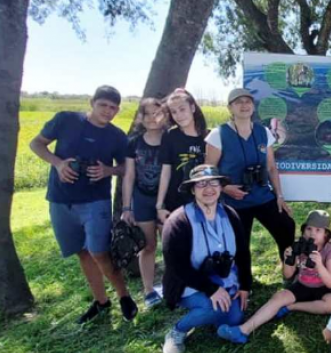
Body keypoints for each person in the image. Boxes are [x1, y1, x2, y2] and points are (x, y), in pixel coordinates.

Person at [29, 85, 139, 323]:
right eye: (103, 105)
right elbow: (36, 143)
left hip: (95, 200)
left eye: (113, 108)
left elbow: (125, 168)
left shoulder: (117, 136)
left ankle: (124, 296)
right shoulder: (66, 120)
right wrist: (58, 164)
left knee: (100, 251)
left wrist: (107, 170)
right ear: (92, 102)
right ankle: (101, 301)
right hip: (60, 199)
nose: (108, 112)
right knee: (82, 252)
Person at [160, 165, 252, 353]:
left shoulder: (231, 215)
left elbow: (243, 253)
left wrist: (245, 285)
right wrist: (212, 289)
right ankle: (178, 330)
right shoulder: (178, 222)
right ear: (192, 189)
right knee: (213, 307)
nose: (208, 188)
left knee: (235, 317)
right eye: (201, 184)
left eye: (213, 183)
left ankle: (210, 314)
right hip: (189, 283)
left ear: (220, 187)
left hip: (224, 279)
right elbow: (178, 268)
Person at [218, 210, 331, 344]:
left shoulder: (330, 251)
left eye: (318, 230)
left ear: (326, 234)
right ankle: (242, 330)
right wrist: (288, 260)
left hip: (323, 288)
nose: (312, 233)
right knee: (279, 297)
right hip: (302, 285)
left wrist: (319, 265)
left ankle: (292, 307)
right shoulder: (298, 246)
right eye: (309, 229)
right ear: (304, 230)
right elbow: (287, 275)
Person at [205, 88, 295, 261]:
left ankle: (289, 269)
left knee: (286, 225)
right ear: (230, 108)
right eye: (238, 102)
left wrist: (279, 195)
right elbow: (209, 171)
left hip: (262, 196)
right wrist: (224, 188)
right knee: (239, 243)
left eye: (247, 101)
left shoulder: (264, 132)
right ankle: (244, 284)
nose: (244, 105)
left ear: (253, 106)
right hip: (235, 200)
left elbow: (271, 168)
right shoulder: (218, 134)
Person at [121, 97, 166, 309]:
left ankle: (174, 284)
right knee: (148, 246)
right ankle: (148, 290)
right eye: (146, 113)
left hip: (167, 201)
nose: (151, 118)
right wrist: (126, 207)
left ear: (164, 116)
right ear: (140, 117)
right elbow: (128, 176)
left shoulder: (170, 139)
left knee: (171, 244)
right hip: (142, 200)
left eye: (156, 113)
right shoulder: (134, 142)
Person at [156, 89, 209, 223]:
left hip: (204, 201)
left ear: (192, 108)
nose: (179, 115)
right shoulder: (170, 136)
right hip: (175, 201)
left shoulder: (208, 136)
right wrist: (160, 205)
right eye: (174, 112)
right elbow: (165, 172)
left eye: (182, 109)